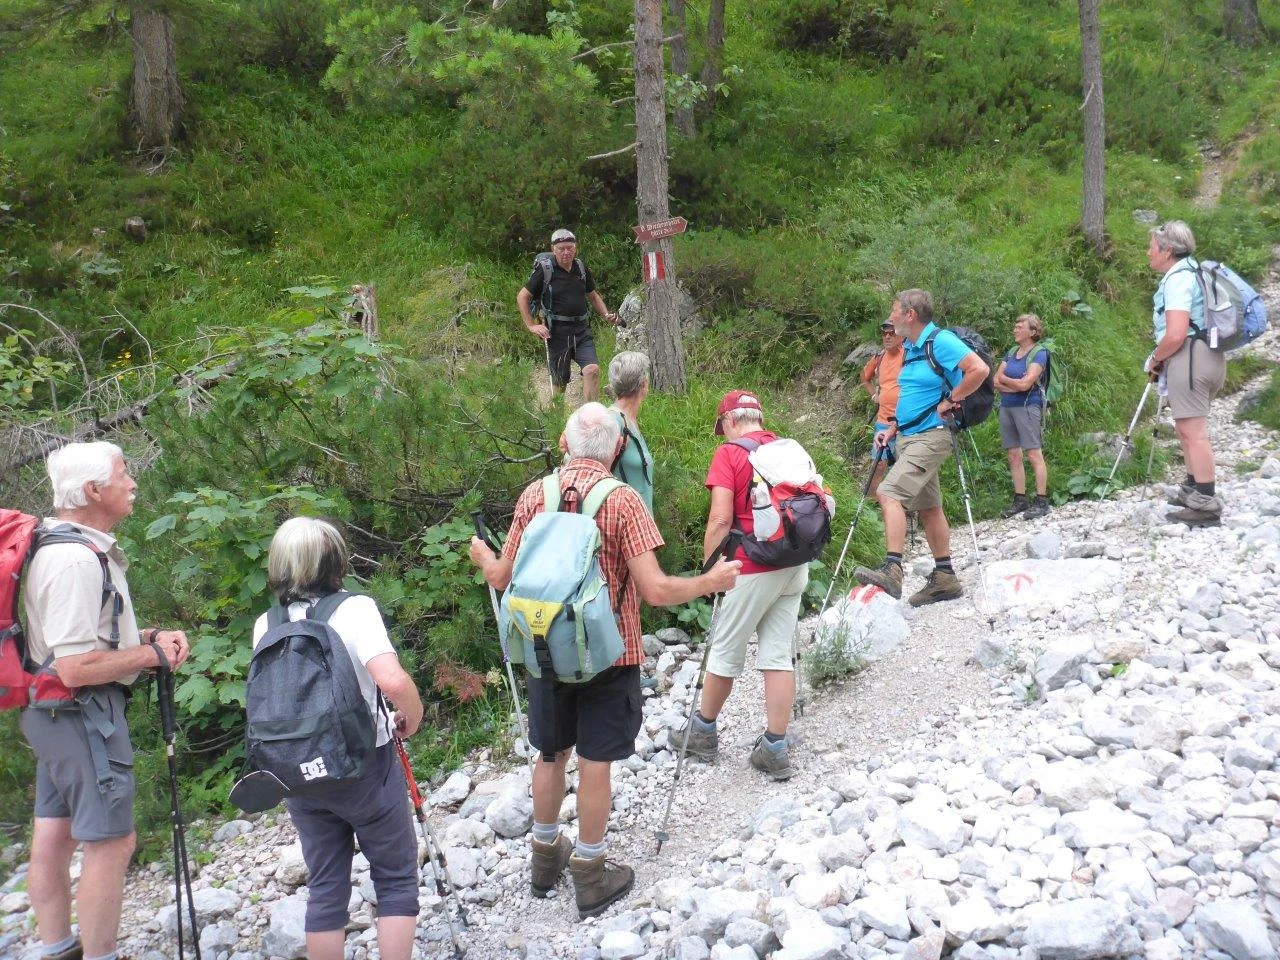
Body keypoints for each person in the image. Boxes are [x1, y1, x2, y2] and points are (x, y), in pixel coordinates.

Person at [469, 403, 739, 919]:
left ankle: (544, 860)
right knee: (595, 762)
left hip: (544, 648)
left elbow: (502, 578)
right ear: (617, 449)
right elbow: (656, 591)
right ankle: (591, 875)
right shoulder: (624, 501)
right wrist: (711, 581)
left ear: (564, 443)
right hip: (611, 654)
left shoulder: (535, 495)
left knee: (550, 754)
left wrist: (484, 558)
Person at [21, 441, 192, 960]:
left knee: (54, 834)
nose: (133, 482)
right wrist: (150, 657)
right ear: (94, 490)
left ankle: (58, 948)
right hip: (82, 714)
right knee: (112, 842)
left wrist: (141, 640)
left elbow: (72, 642)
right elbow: (74, 667)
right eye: (124, 473)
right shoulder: (75, 559)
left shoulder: (59, 545)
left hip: (49, 713)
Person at [253, 517, 425, 960]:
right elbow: (389, 678)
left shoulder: (265, 624)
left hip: (296, 772)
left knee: (326, 887)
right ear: (334, 561)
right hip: (363, 766)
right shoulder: (354, 609)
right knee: (395, 879)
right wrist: (415, 713)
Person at [680, 390, 806, 781]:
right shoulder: (788, 448)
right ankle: (775, 746)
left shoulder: (731, 454)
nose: (722, 435)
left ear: (731, 421)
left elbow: (719, 519)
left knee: (725, 652)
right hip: (794, 564)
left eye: (722, 428)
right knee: (776, 654)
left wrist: (709, 572)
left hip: (750, 566)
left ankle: (702, 732)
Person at [853, 289, 989, 606]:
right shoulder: (913, 347)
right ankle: (945, 577)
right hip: (908, 435)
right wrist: (893, 427)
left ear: (910, 314)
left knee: (889, 492)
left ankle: (892, 569)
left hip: (932, 436)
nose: (891, 318)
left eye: (894, 311)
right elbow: (916, 395)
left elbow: (978, 370)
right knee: (929, 507)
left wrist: (952, 400)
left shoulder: (938, 341)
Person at [1147, 220, 1227, 527]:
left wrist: (1155, 358)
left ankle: (1206, 505)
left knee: (1193, 433)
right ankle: (1193, 489)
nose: (1148, 253)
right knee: (1185, 428)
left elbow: (1176, 332)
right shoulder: (1193, 271)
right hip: (1204, 356)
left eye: (1151, 247)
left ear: (1167, 251)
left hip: (1191, 357)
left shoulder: (1177, 279)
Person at [517, 228, 619, 403]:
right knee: (560, 384)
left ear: (575, 248)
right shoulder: (545, 269)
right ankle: (556, 422)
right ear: (553, 249)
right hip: (557, 333)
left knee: (592, 370)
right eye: (561, 248)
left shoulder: (580, 267)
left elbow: (593, 296)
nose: (566, 252)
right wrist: (531, 325)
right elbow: (522, 296)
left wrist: (606, 314)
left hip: (581, 331)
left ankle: (590, 419)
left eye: (569, 248)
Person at [994, 313, 1051, 520]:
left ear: (1033, 332)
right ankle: (1020, 499)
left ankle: (1042, 500)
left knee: (1034, 453)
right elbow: (995, 380)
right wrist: (1014, 386)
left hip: (1028, 406)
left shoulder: (1039, 353)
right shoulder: (1011, 352)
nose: (1015, 329)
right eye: (1015, 326)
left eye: (1020, 326)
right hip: (1008, 406)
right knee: (1013, 454)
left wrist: (1008, 383)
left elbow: (1026, 385)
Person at [860, 320, 905, 497]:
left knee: (906, 468)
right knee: (878, 464)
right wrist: (874, 395)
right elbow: (865, 376)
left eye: (892, 333)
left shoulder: (909, 356)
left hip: (907, 422)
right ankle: (868, 508)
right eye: (884, 333)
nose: (887, 336)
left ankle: (908, 510)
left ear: (901, 335)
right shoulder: (879, 357)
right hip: (884, 421)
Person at [607, 351, 655, 512]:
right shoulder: (612, 422)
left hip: (638, 525)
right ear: (643, 384)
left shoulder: (628, 420)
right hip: (621, 524)